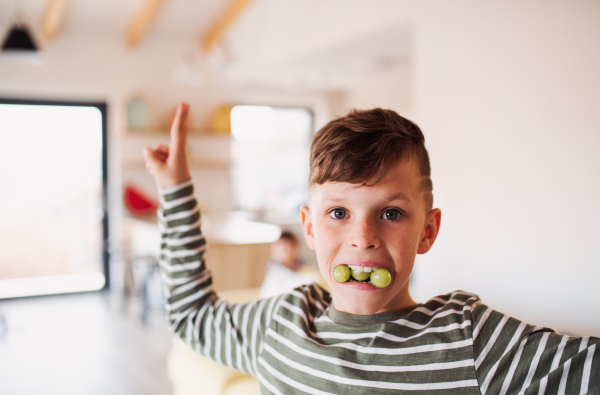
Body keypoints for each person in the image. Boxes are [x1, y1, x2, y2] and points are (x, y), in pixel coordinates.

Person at [144, 103, 598, 394]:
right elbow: (191, 317)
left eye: (391, 213)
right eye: (338, 213)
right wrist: (177, 191)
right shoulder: (279, 325)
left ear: (427, 231)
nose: (363, 238)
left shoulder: (468, 340)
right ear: (310, 228)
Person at [260, 230, 320, 298]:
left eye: (286, 249)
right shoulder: (275, 270)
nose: (282, 253)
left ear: (295, 249)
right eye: (280, 249)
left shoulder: (302, 267)